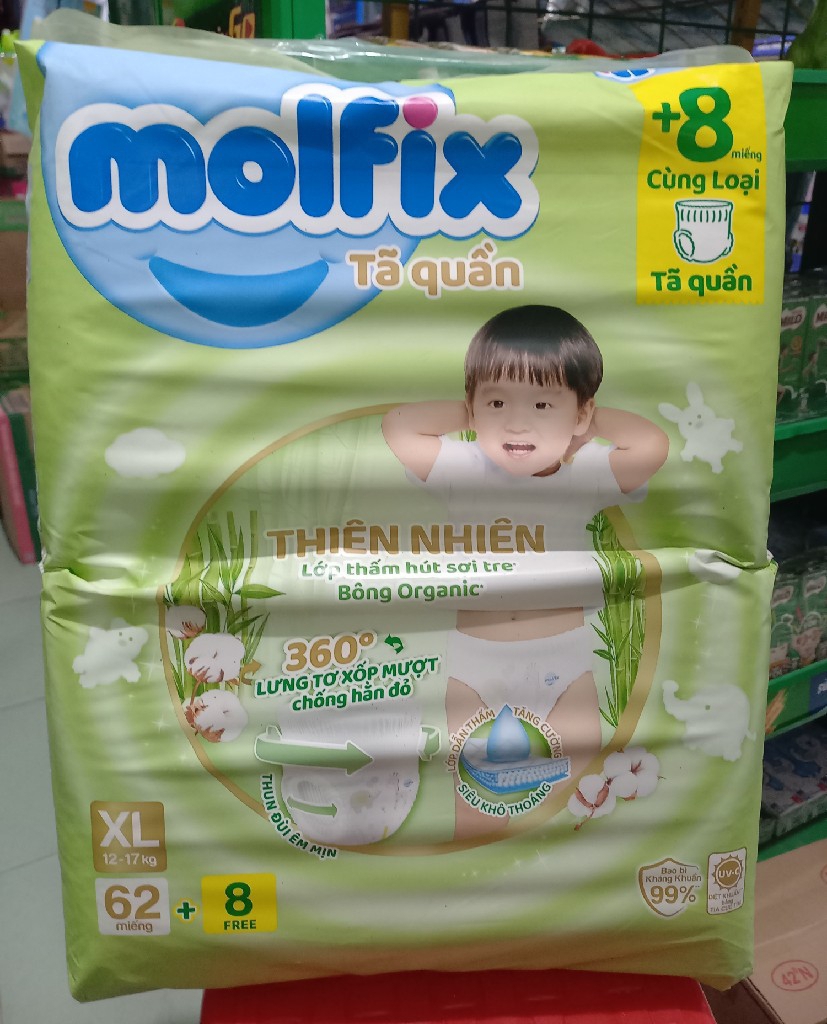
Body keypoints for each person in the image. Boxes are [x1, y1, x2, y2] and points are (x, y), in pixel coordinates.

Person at [382, 305, 668, 839]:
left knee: (571, 803)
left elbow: (653, 445)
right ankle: (479, 878)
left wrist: (581, 422)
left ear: (580, 414)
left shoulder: (586, 473)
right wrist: (476, 414)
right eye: (498, 403)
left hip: (565, 660)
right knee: (474, 803)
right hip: (475, 664)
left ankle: (564, 884)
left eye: (542, 404)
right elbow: (398, 426)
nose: (518, 423)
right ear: (473, 407)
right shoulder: (461, 469)